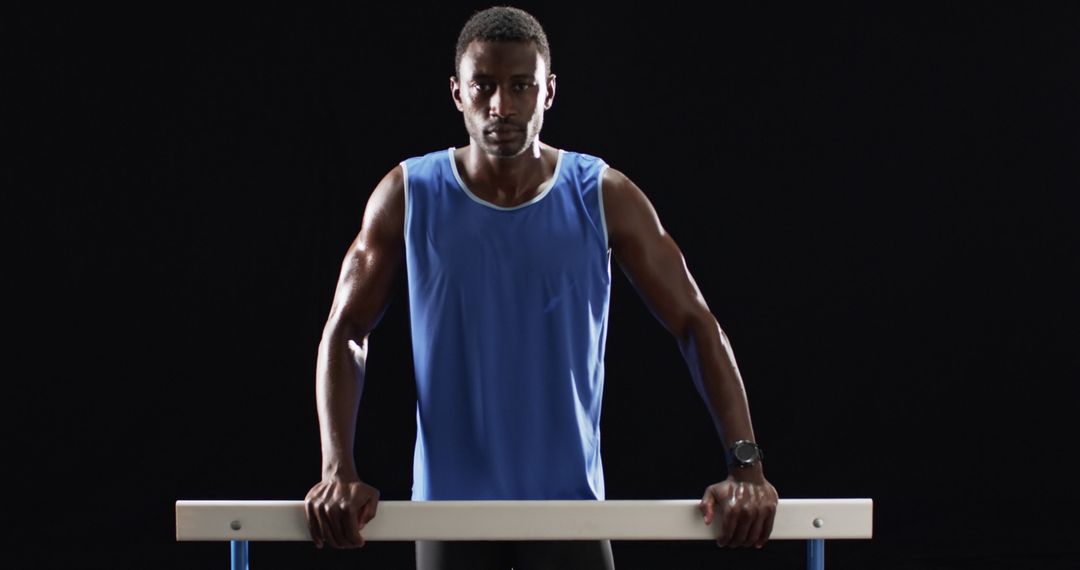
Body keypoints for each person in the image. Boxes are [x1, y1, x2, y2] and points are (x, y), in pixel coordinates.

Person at [304, 6, 778, 569]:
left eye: (521, 85)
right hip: (448, 516)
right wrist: (337, 469)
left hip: (571, 511)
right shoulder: (408, 194)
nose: (501, 106)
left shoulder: (603, 195)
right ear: (457, 93)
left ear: (548, 92)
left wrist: (746, 467)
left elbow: (695, 322)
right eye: (483, 85)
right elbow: (347, 329)